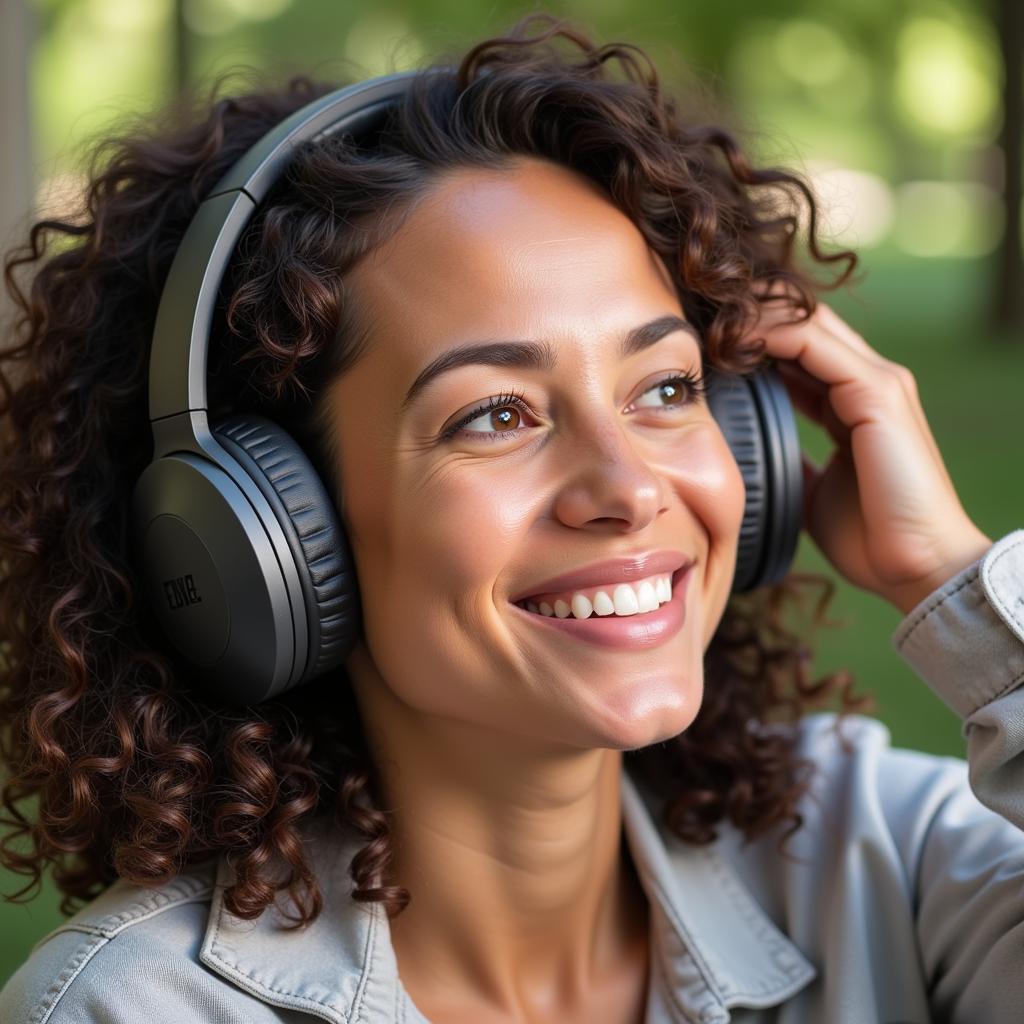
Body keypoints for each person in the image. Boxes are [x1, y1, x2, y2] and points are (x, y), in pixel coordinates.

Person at [0, 12, 1020, 1024]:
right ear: (258, 534)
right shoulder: (134, 1008)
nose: (626, 488)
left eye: (664, 387)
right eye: (496, 413)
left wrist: (945, 572)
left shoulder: (877, 856)